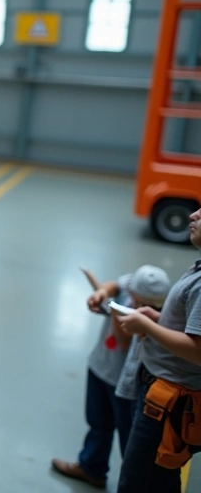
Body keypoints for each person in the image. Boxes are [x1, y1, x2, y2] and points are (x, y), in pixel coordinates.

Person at [51, 264, 171, 488]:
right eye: (132, 296)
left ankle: (134, 482)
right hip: (101, 367)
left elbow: (124, 339)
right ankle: (92, 467)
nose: (133, 301)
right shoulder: (129, 287)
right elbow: (116, 285)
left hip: (128, 386)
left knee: (130, 438)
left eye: (139, 301)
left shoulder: (155, 318)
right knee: (98, 423)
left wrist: (116, 309)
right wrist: (103, 293)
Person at [113, 208, 201, 492]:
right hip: (161, 393)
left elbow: (198, 351)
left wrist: (148, 327)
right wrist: (159, 320)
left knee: (139, 482)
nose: (193, 215)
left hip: (167, 404)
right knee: (159, 481)